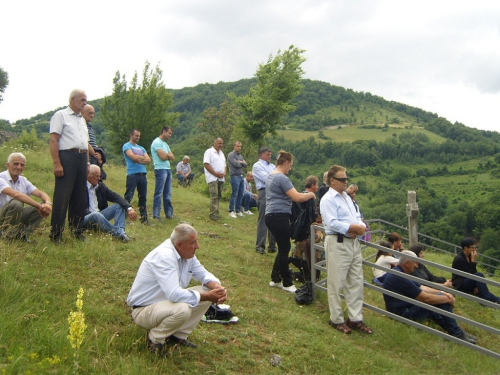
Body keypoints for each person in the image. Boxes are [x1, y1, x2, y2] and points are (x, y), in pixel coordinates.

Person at [126, 223, 227, 356]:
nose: (197, 246)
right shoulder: (164, 256)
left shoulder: (186, 254)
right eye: (193, 242)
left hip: (164, 305)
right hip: (143, 310)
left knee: (204, 290)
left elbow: (203, 274)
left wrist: (217, 288)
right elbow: (174, 294)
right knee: (183, 309)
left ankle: (177, 335)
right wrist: (208, 296)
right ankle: (155, 339)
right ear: (180, 244)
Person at [320, 164, 372, 335]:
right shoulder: (327, 199)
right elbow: (332, 223)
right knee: (336, 282)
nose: (346, 182)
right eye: (342, 179)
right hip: (338, 242)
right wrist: (353, 227)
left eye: (346, 179)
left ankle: (355, 318)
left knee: (356, 281)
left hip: (353, 243)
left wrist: (360, 226)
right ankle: (336, 319)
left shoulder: (346, 198)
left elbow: (357, 216)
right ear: (332, 181)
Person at [383, 251, 477, 344]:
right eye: (415, 263)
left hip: (403, 308)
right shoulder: (400, 276)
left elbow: (422, 287)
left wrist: (444, 293)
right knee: (439, 302)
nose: (416, 266)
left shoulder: (400, 273)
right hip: (401, 313)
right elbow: (426, 298)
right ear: (407, 263)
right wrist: (447, 299)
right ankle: (457, 334)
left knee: (435, 308)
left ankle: (457, 332)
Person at [266, 151, 316, 293]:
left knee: (282, 247)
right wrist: (310, 195)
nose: (290, 169)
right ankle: (287, 283)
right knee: (284, 249)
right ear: (286, 163)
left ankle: (275, 278)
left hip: (270, 215)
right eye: (290, 165)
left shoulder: (271, 175)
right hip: (279, 215)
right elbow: (297, 197)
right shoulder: (282, 178)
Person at [49, 89, 89, 243]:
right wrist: (57, 163)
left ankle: (77, 230)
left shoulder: (82, 120)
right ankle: (56, 234)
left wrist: (86, 163)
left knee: (80, 196)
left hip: (81, 157)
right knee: (62, 196)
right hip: (67, 156)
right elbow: (53, 140)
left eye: (86, 100)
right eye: (82, 100)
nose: (84, 103)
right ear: (72, 100)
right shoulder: (61, 115)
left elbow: (84, 143)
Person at [0, 153, 52, 242]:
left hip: (13, 216)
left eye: (22, 165)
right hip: (2, 215)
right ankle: (8, 237)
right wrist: (38, 206)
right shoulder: (1, 178)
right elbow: (16, 195)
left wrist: (47, 204)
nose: (19, 167)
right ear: (8, 165)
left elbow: (41, 194)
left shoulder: (23, 180)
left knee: (42, 206)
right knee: (17, 203)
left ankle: (22, 235)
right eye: (15, 164)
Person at [84, 165, 136, 242]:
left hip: (100, 215)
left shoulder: (100, 186)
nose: (99, 178)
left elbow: (115, 196)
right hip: (86, 218)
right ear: (89, 175)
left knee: (118, 206)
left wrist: (129, 208)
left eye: (100, 176)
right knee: (95, 214)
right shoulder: (81, 187)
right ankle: (119, 233)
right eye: (97, 176)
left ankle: (122, 233)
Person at [451, 238, 500, 304]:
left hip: (468, 281)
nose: (474, 250)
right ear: (465, 248)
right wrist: (473, 261)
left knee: (487, 293)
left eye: (475, 247)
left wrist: (476, 286)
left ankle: (495, 300)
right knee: (479, 275)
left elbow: (474, 272)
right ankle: (485, 300)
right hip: (461, 284)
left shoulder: (469, 256)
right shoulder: (459, 259)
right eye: (472, 248)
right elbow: (469, 275)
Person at [123, 129, 151, 225]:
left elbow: (148, 160)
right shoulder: (127, 146)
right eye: (136, 135)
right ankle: (124, 217)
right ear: (131, 135)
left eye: (139, 136)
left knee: (143, 197)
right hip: (132, 174)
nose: (138, 137)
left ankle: (144, 218)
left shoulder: (141, 148)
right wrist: (140, 159)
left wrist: (138, 159)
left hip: (143, 174)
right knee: (129, 196)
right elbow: (133, 158)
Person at [252, 147, 277, 254]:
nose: (269, 156)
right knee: (263, 220)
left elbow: (278, 177)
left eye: (270, 154)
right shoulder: (257, 166)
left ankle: (272, 245)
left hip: (274, 193)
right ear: (261, 155)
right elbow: (268, 179)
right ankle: (260, 246)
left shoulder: (272, 166)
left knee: (274, 219)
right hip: (264, 192)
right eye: (267, 154)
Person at [151, 126, 175, 221]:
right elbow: (162, 157)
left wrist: (166, 155)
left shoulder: (165, 144)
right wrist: (167, 155)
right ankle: (156, 215)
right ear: (164, 132)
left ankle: (169, 214)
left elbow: (172, 157)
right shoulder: (157, 142)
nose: (170, 135)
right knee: (159, 193)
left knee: (168, 193)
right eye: (169, 133)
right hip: (160, 169)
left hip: (167, 169)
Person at [203, 138, 226, 221]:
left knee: (219, 195)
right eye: (219, 143)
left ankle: (216, 212)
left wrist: (224, 172)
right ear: (214, 143)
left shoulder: (222, 154)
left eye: (222, 143)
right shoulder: (209, 152)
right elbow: (206, 164)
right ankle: (213, 214)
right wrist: (215, 173)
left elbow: (224, 165)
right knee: (214, 195)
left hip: (221, 178)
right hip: (212, 177)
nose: (220, 145)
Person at [81, 104, 106, 180]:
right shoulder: (82, 125)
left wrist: (99, 153)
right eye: (90, 113)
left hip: (93, 156)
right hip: (88, 157)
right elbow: (86, 143)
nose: (92, 115)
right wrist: (95, 155)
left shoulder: (89, 126)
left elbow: (93, 143)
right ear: (82, 112)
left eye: (93, 113)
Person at [227, 141, 247, 218]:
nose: (239, 148)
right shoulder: (231, 155)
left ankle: (238, 210)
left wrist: (240, 162)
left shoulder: (240, 156)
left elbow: (245, 165)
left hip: (241, 176)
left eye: (240, 146)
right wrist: (242, 163)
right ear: (234, 146)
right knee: (234, 194)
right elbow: (235, 164)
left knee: (241, 194)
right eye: (238, 146)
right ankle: (231, 210)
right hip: (235, 176)